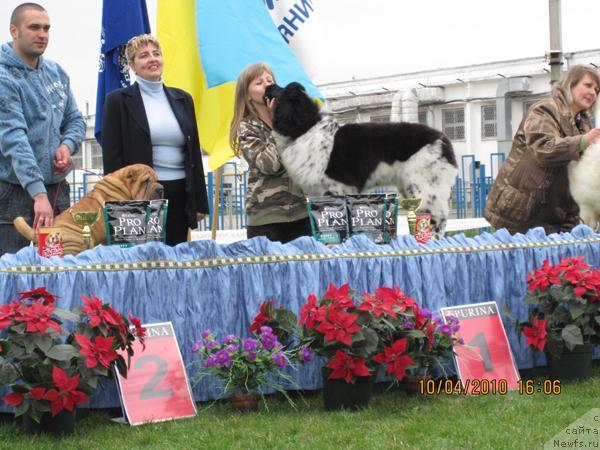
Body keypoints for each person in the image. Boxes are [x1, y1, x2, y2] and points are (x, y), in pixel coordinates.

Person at [101, 34, 209, 246]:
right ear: (132, 65)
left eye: (156, 54)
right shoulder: (117, 101)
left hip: (179, 194)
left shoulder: (183, 99)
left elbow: (194, 152)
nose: (152, 59)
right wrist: (119, 203)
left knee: (174, 264)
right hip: (137, 196)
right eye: (143, 56)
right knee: (140, 266)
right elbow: (112, 157)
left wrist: (199, 202)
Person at [0, 3, 85, 255]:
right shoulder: (4, 77)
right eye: (34, 27)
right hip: (13, 193)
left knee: (54, 269)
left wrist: (66, 146)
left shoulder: (57, 73)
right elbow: (14, 138)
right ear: (13, 30)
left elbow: (76, 120)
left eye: (46, 28)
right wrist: (38, 195)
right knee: (11, 276)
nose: (42, 34)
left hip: (56, 193)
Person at [485, 65, 600, 235]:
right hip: (522, 212)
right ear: (570, 84)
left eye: (597, 89)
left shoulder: (584, 123)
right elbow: (544, 149)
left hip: (558, 216)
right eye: (588, 85)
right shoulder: (544, 110)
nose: (593, 93)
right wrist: (583, 141)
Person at [229, 62, 310, 243]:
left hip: (301, 213)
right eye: (259, 82)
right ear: (247, 96)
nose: (267, 84)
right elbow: (269, 165)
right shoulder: (246, 127)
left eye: (269, 80)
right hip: (266, 218)